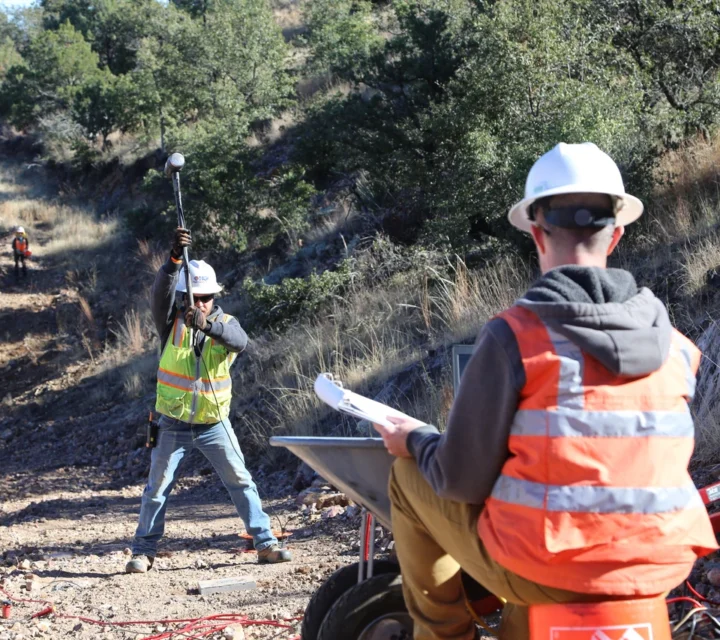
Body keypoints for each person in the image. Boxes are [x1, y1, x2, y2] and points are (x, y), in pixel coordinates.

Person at [373, 143, 718, 639]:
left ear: (536, 233)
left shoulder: (516, 337)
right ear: (616, 234)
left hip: (550, 570)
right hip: (657, 570)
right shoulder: (679, 350)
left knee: (410, 478)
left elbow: (460, 479)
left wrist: (416, 440)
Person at [126, 227, 291, 573]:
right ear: (185, 296)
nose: (201, 303)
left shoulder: (226, 323)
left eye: (207, 297)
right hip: (172, 423)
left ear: (215, 297)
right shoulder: (170, 323)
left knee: (241, 480)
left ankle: (265, 543)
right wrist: (172, 261)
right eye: (194, 297)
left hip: (215, 425)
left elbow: (240, 341)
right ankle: (142, 552)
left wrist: (206, 325)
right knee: (157, 489)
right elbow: (160, 294)